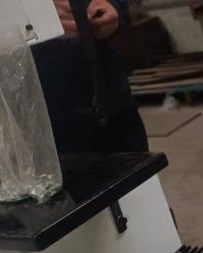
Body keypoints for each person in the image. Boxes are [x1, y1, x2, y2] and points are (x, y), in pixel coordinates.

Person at [32, 0, 148, 154]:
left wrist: (112, 7)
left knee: (135, 162)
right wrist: (27, 24)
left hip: (111, 96)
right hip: (45, 107)